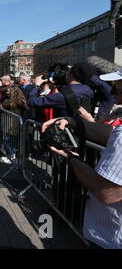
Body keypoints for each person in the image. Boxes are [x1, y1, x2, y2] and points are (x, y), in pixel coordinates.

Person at [42, 67, 122, 248]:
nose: (112, 89)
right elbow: (111, 133)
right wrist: (73, 123)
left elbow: (108, 192)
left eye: (117, 84)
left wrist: (72, 158)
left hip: (111, 239)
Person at [29, 62, 95, 118]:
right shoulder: (90, 90)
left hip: (66, 129)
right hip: (85, 127)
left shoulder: (62, 96)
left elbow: (33, 102)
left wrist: (36, 85)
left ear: (70, 75)